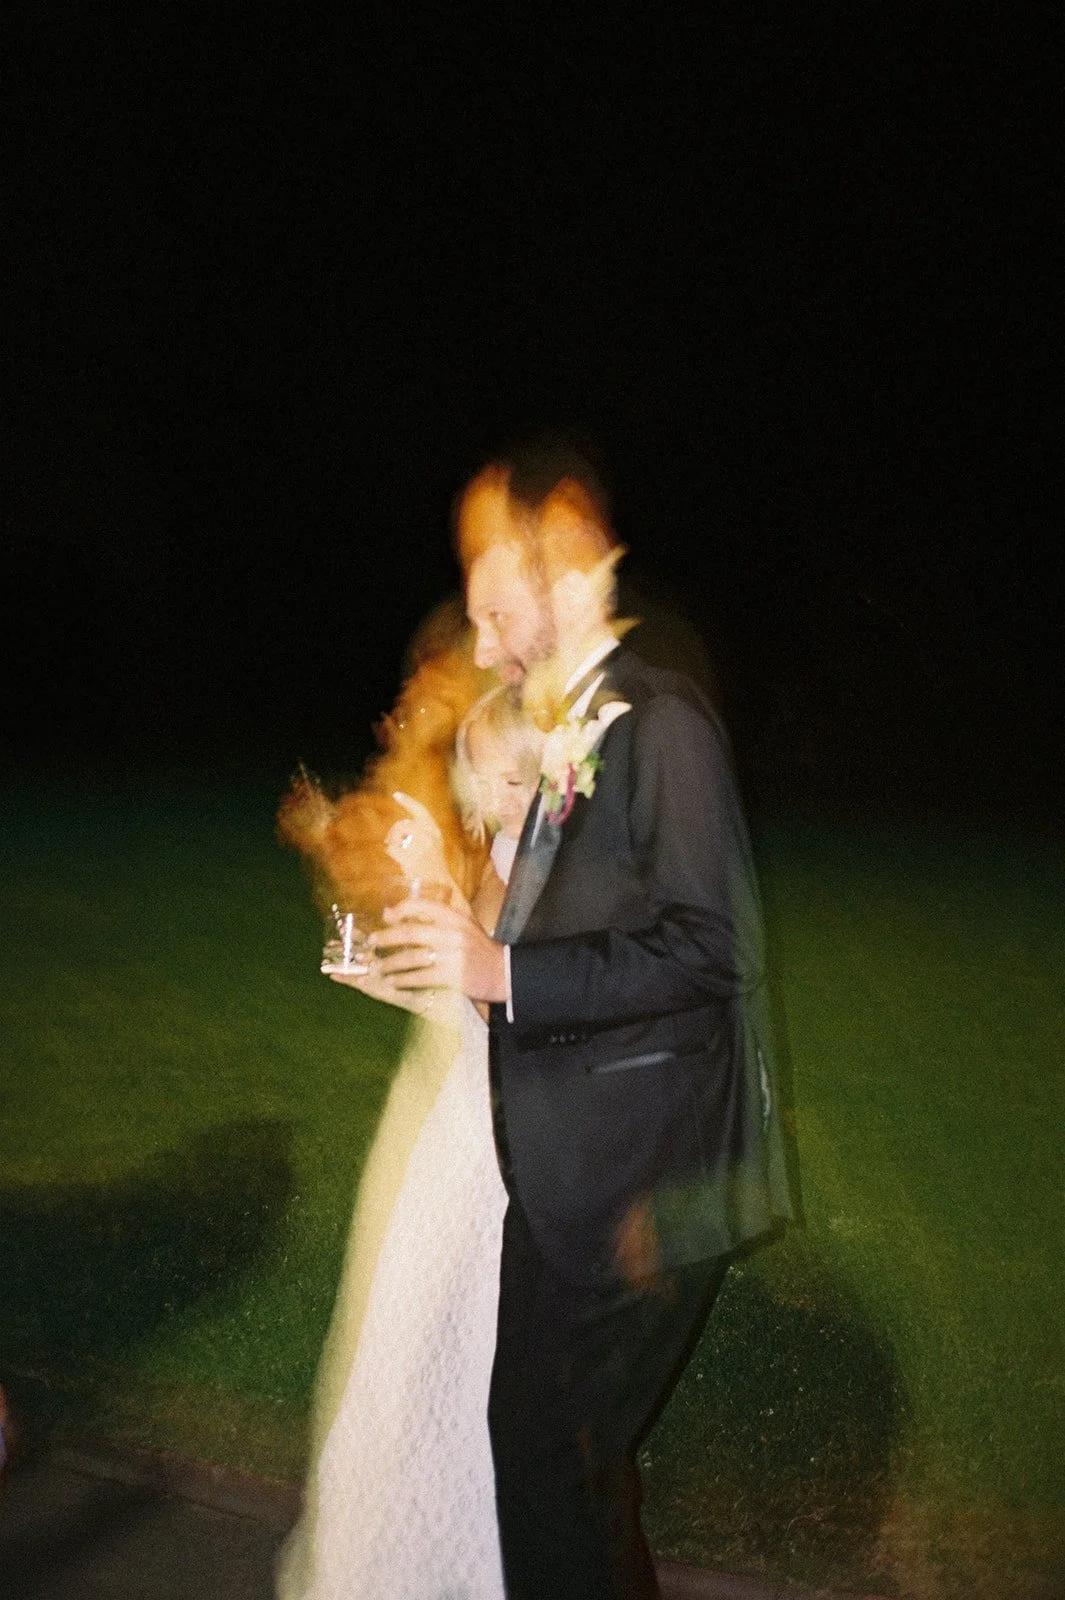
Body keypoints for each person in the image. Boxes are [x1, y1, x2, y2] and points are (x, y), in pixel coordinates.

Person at [373, 442, 796, 1600]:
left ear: (563, 567)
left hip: (640, 1189)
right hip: (568, 1179)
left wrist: (506, 977)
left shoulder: (659, 724)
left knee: (558, 1471)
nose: (480, 634)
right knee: (553, 1464)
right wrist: (462, 957)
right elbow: (553, 935)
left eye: (495, 603)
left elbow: (713, 948)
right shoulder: (574, 731)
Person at [277, 683, 542, 1600]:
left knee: (441, 1354)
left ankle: (457, 1563)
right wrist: (376, 983)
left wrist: (428, 864)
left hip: (481, 1153)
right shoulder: (505, 856)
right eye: (488, 779)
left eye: (516, 776)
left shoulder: (533, 866)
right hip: (448, 1135)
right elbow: (463, 1003)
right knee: (396, 1350)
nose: (501, 796)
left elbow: (494, 1000)